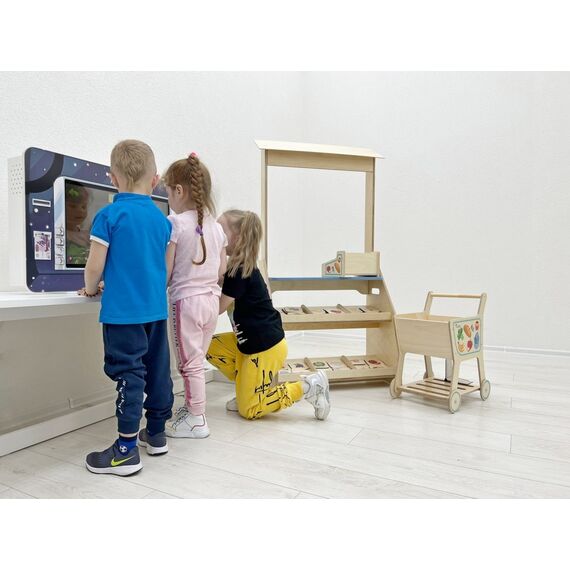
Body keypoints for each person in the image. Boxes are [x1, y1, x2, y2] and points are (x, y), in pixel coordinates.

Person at [80, 139, 173, 476]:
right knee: (158, 371)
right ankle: (157, 434)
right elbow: (162, 268)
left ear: (112, 178)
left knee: (129, 375)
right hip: (156, 311)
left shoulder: (109, 215)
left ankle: (125, 450)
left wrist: (92, 289)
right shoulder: (162, 221)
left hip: (123, 315)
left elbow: (94, 266)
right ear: (155, 180)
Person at [206, 209, 331, 421]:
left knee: (249, 410)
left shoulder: (239, 270)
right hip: (248, 343)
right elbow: (219, 281)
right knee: (209, 346)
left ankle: (308, 386)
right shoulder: (238, 268)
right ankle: (248, 389)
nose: (216, 235)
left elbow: (217, 308)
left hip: (264, 346)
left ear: (237, 238)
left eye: (220, 230)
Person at [162, 153, 227, 438]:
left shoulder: (175, 223)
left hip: (186, 302)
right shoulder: (217, 228)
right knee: (197, 360)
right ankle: (192, 410)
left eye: (167, 192)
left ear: (179, 190)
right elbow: (222, 269)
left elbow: (166, 271)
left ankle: (197, 418)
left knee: (188, 363)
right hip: (211, 301)